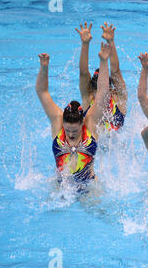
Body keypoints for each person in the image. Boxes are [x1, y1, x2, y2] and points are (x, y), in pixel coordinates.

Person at [35, 43, 112, 187]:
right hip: (61, 186)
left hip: (89, 186)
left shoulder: (89, 123)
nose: (70, 134)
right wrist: (44, 68)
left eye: (75, 131)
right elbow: (42, 92)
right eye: (67, 130)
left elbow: (103, 93)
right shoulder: (58, 120)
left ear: (82, 123)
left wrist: (103, 61)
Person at [76, 22, 127, 131]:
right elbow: (83, 73)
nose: (100, 92)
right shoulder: (88, 99)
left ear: (111, 89)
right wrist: (85, 44)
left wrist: (110, 42)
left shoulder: (119, 100)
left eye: (101, 88)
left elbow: (116, 72)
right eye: (96, 88)